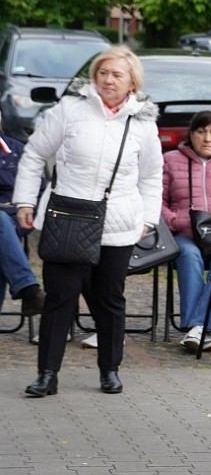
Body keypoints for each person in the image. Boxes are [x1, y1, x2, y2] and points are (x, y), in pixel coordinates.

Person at [14, 45, 163, 397]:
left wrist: (148, 218)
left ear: (132, 83)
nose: (108, 80)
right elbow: (35, 154)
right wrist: (24, 199)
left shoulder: (142, 123)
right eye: (103, 73)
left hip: (118, 223)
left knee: (110, 298)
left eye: (117, 75)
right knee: (60, 297)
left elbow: (151, 176)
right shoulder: (70, 109)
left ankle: (109, 369)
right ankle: (47, 374)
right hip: (67, 217)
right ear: (94, 76)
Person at [160, 111, 211, 353]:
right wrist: (172, 220)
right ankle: (204, 328)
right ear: (191, 135)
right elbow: (157, 199)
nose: (207, 138)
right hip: (186, 236)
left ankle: (197, 327)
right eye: (201, 131)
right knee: (188, 256)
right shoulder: (172, 160)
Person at [0, 127, 44, 317]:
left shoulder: (15, 150)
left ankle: (28, 289)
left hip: (14, 218)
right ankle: (28, 289)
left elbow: (38, 190)